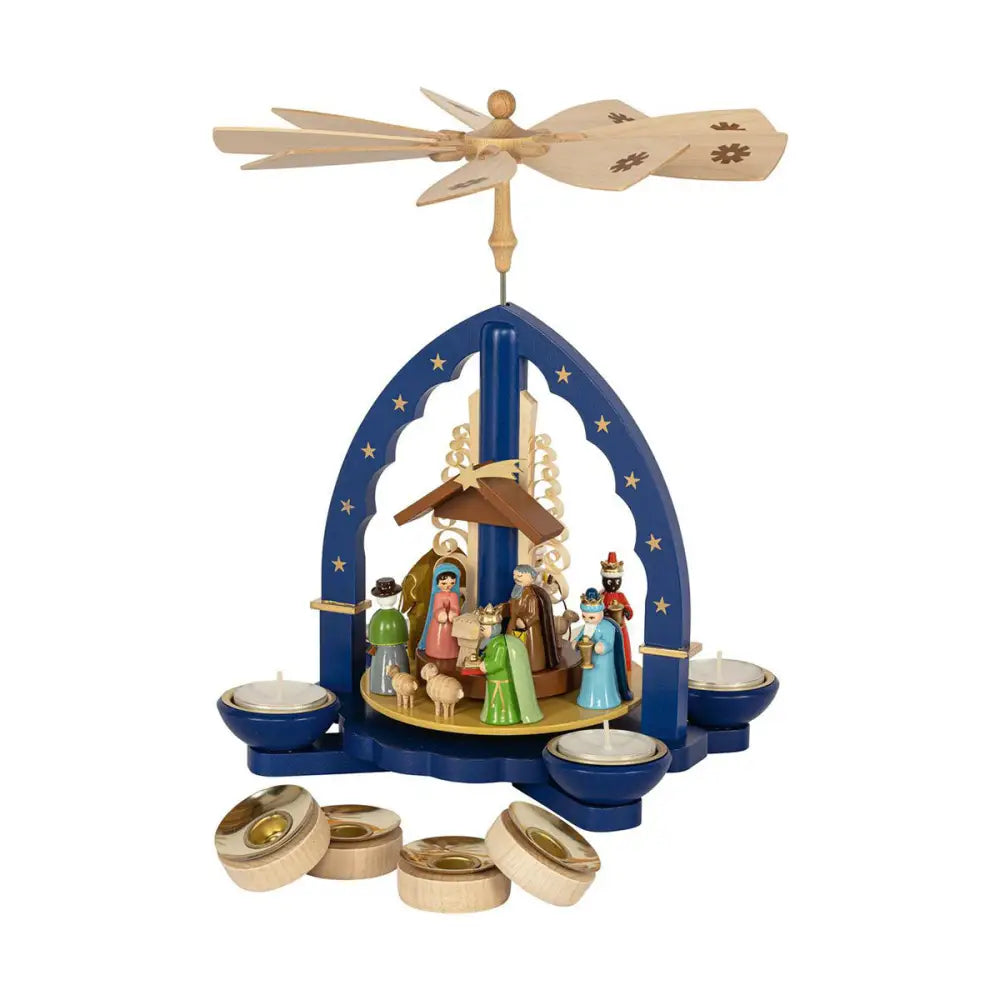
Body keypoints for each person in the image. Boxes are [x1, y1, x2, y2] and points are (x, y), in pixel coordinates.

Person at [574, 587, 633, 711]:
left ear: (601, 612)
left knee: (602, 680)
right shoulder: (587, 626)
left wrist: (602, 646)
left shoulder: (607, 627)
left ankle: (606, 699)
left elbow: (609, 642)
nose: (587, 620)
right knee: (589, 680)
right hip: (589, 660)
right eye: (584, 616)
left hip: (603, 663)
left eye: (591, 617)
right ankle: (586, 698)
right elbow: (581, 636)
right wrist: (576, 642)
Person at [477, 633, 544, 725]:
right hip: (493, 681)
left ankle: (505, 717)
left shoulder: (500, 645)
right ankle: (494, 716)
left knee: (502, 701)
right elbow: (486, 655)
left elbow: (498, 663)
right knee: (494, 701)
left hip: (501, 682)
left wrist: (485, 666)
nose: (482, 629)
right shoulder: (491, 642)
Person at [505, 564, 559, 673]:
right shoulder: (516, 591)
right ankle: (514, 664)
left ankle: (529, 666)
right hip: (513, 623)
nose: (516, 578)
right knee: (512, 645)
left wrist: (524, 621)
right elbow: (512, 604)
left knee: (527, 648)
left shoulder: (531, 595)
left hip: (528, 629)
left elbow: (534, 614)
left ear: (530, 577)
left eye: (520, 576)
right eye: (514, 575)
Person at [367, 577, 409, 695]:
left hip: (395, 649)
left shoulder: (393, 616)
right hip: (382, 650)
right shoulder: (380, 617)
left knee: (398, 665)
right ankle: (381, 687)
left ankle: (399, 687)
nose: (387, 599)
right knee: (381, 667)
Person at [600, 552, 634, 672]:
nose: (614, 585)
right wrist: (603, 612)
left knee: (623, 646)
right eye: (610, 582)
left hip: (620, 627)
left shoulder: (620, 596)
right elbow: (597, 609)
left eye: (617, 581)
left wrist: (627, 611)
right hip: (606, 628)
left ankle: (624, 666)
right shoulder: (602, 596)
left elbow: (627, 606)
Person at [418, 562, 461, 659]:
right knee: (437, 638)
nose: (448, 586)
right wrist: (440, 613)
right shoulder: (437, 596)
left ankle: (451, 652)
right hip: (438, 624)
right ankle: (435, 650)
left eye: (452, 583)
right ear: (437, 583)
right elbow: (436, 608)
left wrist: (453, 612)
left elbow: (455, 607)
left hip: (451, 624)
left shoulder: (454, 595)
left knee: (452, 640)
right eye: (444, 583)